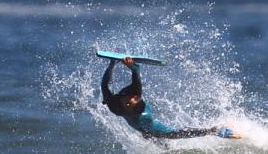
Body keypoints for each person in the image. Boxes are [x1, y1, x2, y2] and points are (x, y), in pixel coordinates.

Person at [101, 57, 241, 139]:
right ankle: (214, 130)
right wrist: (127, 66)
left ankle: (215, 130)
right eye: (135, 98)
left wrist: (113, 64)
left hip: (148, 129)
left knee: (170, 135)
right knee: (112, 94)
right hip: (139, 121)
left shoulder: (139, 116)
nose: (135, 96)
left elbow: (178, 132)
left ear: (128, 107)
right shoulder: (133, 94)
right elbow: (135, 74)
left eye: (134, 98)